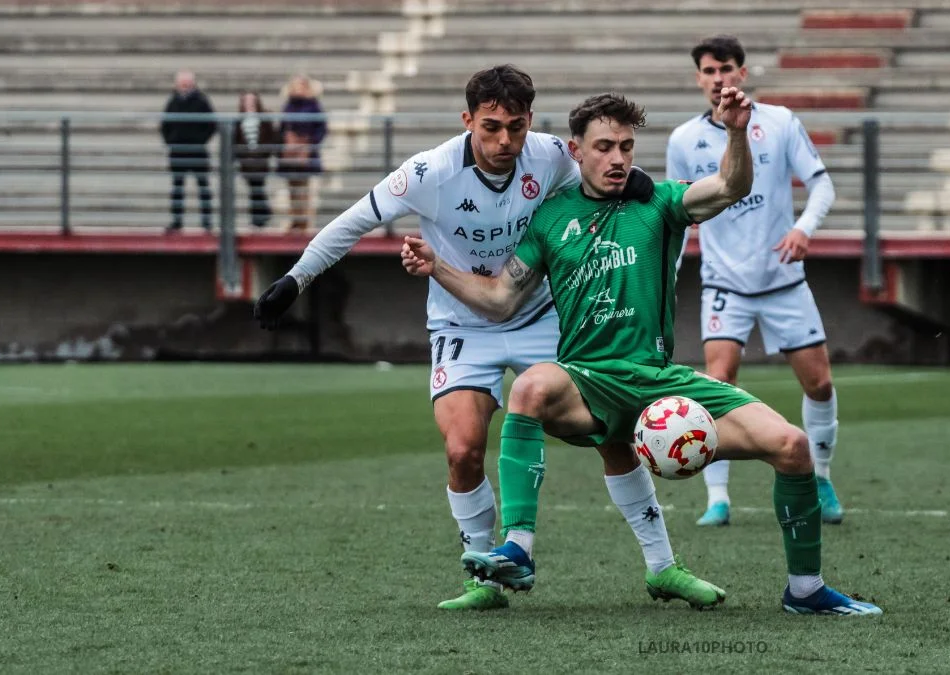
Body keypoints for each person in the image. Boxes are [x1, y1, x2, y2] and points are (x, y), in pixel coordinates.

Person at [401, 89, 881, 616]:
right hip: (586, 381)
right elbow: (497, 300)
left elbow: (730, 185)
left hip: (659, 379)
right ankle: (519, 548)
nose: (618, 158)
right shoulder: (550, 219)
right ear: (575, 151)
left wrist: (737, 131)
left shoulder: (660, 202)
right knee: (531, 385)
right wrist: (437, 268)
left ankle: (806, 590)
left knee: (792, 446)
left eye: (627, 146)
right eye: (604, 146)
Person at [252, 65, 659, 611]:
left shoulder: (551, 156)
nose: (504, 141)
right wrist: (294, 280)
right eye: (490, 127)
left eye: (515, 127)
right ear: (467, 119)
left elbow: (607, 168)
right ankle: (483, 579)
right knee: (463, 448)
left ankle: (663, 566)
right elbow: (353, 221)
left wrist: (639, 182)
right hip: (462, 323)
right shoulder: (430, 171)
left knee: (611, 434)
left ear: (530, 122)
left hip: (542, 317)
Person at [666, 35, 844, 527]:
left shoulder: (780, 122)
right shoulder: (684, 140)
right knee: (717, 385)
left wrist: (803, 228)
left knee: (820, 383)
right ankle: (718, 498)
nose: (717, 78)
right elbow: (678, 212)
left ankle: (822, 476)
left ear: (742, 74)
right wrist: (669, 272)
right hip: (725, 283)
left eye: (725, 68)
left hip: (783, 279)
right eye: (708, 71)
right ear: (698, 79)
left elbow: (822, 183)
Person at [160, 70, 215, 233]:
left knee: (203, 187)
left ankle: (207, 222)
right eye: (182, 83)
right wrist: (171, 141)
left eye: (187, 83)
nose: (184, 86)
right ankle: (177, 221)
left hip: (197, 151)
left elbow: (211, 125)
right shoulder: (172, 101)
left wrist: (200, 140)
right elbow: (165, 125)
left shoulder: (202, 101)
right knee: (177, 188)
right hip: (178, 151)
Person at [278, 75, 329, 232]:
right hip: (290, 153)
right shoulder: (288, 105)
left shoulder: (313, 106)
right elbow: (282, 128)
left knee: (304, 190)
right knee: (292, 189)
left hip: (306, 154)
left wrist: (308, 143)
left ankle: (304, 222)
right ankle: (295, 220)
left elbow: (321, 129)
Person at [234, 91, 279, 228]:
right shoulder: (239, 119)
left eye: (251, 100)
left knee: (257, 188)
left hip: (261, 160)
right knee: (254, 188)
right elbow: (235, 139)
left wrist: (263, 153)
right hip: (246, 160)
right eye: (246, 100)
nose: (249, 103)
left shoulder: (264, 118)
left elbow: (271, 137)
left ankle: (259, 217)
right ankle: (261, 215)